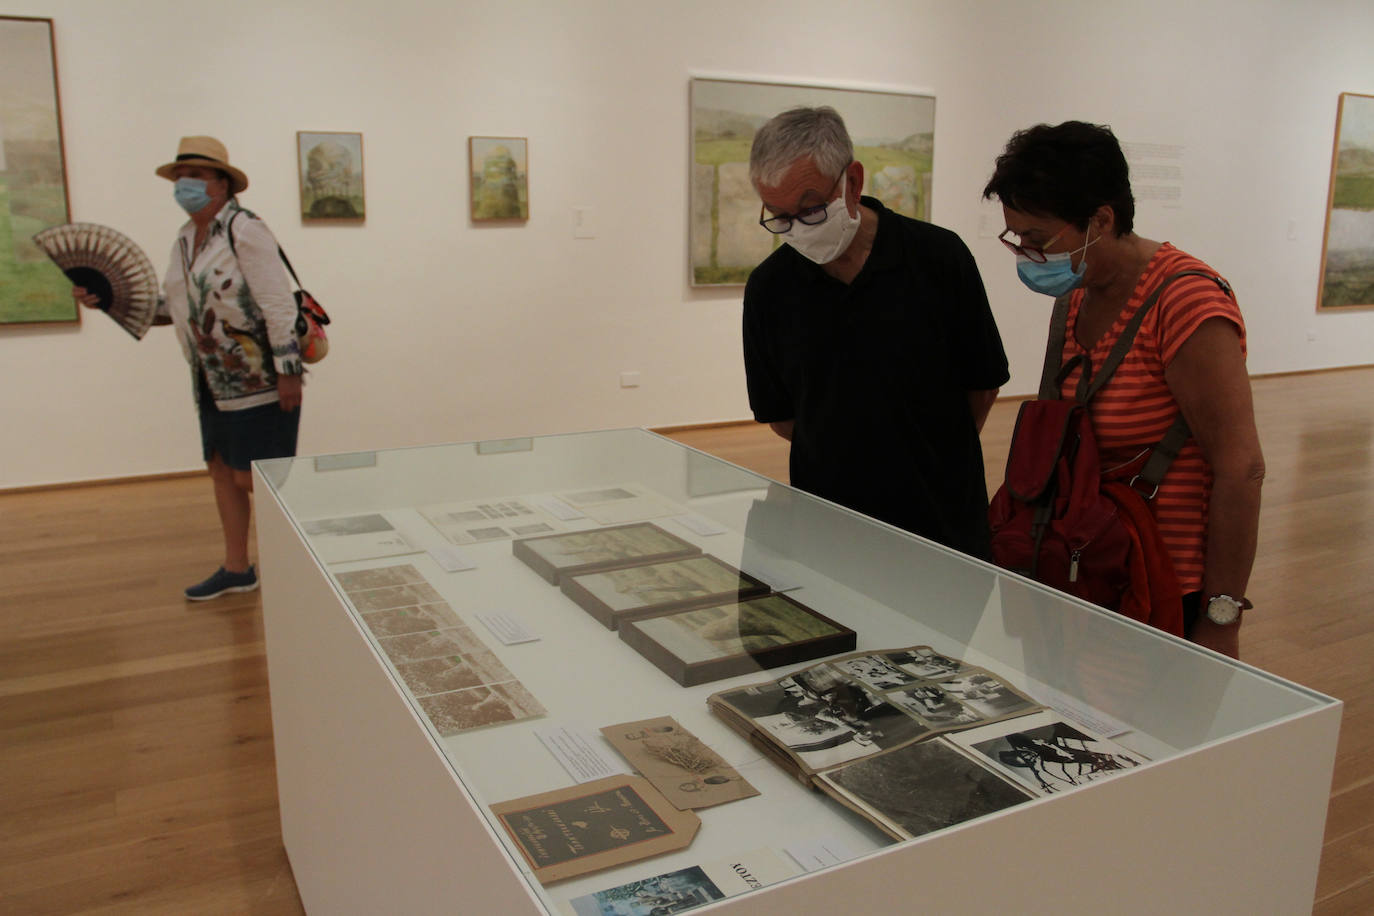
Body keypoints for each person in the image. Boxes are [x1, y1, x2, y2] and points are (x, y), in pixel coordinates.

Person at [982, 121, 1263, 658]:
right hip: (1084, 573)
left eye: (1038, 238)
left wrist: (1221, 618)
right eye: (1016, 236)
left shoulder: (1186, 304)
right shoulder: (1075, 297)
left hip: (1160, 590)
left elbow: (1241, 469)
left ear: (1102, 220)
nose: (1025, 253)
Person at [742, 107, 1009, 559]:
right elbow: (783, 416)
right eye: (779, 218)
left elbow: (981, 384)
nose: (797, 231)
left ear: (854, 181)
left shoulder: (939, 257)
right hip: (828, 525)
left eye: (809, 210)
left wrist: (926, 451)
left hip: (941, 519)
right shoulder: (770, 288)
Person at [75, 136, 304, 600]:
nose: (185, 185)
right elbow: (174, 309)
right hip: (209, 377)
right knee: (221, 469)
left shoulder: (245, 229)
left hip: (257, 376)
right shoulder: (185, 239)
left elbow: (278, 302)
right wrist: (109, 299)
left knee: (255, 476)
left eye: (196, 176)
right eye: (180, 177)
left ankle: (310, 555)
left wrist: (288, 370)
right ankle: (237, 568)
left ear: (222, 183)